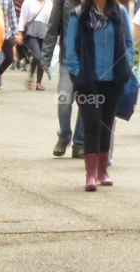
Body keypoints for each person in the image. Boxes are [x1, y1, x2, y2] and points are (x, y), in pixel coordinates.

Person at [66, 0, 134, 190]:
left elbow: (129, 43)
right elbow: (70, 49)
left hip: (113, 81)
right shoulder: (78, 14)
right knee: (92, 123)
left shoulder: (120, 12)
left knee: (106, 124)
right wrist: (78, 74)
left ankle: (103, 171)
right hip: (88, 81)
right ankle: (90, 175)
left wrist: (125, 66)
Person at [43, 0, 87, 157]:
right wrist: (46, 57)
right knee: (63, 99)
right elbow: (53, 26)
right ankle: (64, 136)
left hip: (90, 61)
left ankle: (80, 143)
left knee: (87, 102)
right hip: (68, 59)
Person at [19, 0, 55, 89]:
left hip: (44, 33)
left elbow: (52, 20)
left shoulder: (49, 4)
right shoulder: (28, 2)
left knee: (42, 58)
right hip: (31, 33)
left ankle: (39, 82)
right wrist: (20, 33)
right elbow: (22, 18)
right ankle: (31, 76)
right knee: (37, 56)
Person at [0, 0, 21, 93]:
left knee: (10, 58)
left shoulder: (8, 1)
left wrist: (15, 33)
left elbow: (12, 17)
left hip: (5, 34)